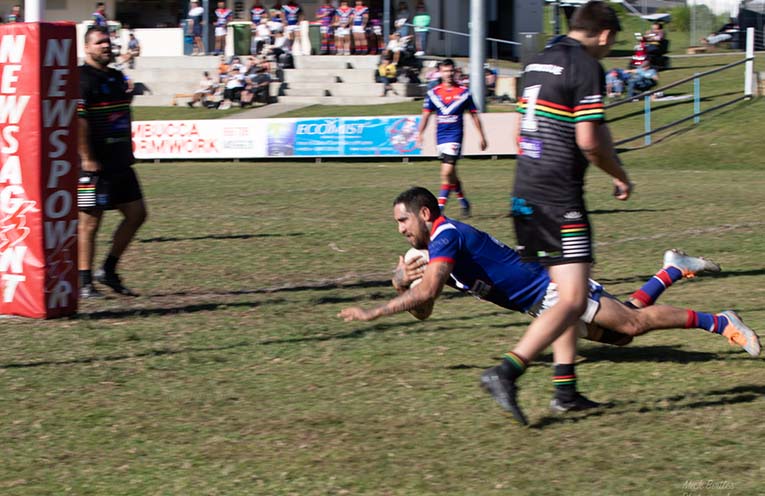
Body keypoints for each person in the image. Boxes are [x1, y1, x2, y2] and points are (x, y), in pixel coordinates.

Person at [338, 187, 761, 424]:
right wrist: (402, 282)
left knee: (632, 323)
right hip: (540, 304)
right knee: (621, 333)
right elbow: (425, 308)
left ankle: (720, 322)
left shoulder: (446, 236)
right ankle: (671, 270)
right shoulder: (436, 252)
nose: (400, 230)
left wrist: (376, 311)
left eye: (403, 220)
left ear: (425, 213)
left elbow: (427, 294)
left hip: (554, 290)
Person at [502, 1, 632, 422]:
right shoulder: (586, 66)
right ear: (605, 35)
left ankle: (565, 389)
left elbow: (525, 130)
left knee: (561, 295)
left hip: (524, 192)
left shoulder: (537, 62)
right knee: (574, 299)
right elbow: (589, 141)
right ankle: (508, 371)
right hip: (559, 198)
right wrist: (620, 175)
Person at [78, 26, 147, 299]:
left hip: (120, 161)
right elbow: (79, 121)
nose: (105, 46)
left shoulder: (117, 77)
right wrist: (87, 157)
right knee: (89, 222)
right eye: (99, 43)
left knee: (137, 214)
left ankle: (107, 270)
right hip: (94, 164)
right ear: (86, 47)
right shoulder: (80, 79)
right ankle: (84, 282)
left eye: (107, 41)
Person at [416, 58, 487, 218]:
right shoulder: (433, 94)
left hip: (455, 136)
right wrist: (420, 133)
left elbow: (474, 115)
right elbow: (426, 115)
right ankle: (464, 202)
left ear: (454, 72)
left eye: (450, 70)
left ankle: (439, 209)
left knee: (446, 172)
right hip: (440, 137)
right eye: (445, 71)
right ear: (440, 72)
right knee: (451, 174)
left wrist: (482, 136)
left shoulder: (464, 93)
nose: (448, 74)